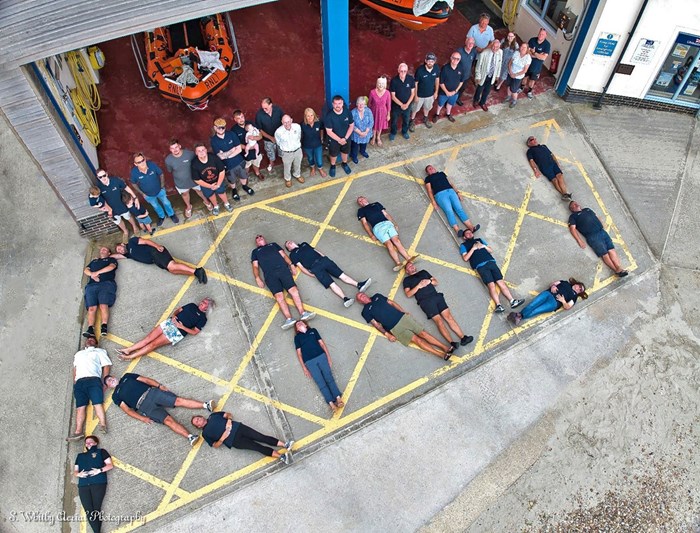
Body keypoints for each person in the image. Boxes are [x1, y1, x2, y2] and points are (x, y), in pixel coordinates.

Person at [105, 373, 214, 446]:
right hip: (143, 406)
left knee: (178, 400)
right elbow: (128, 410)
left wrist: (159, 385)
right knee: (167, 421)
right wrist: (143, 418)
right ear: (109, 387)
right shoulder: (115, 396)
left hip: (152, 393)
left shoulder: (127, 376)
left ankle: (206, 405)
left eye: (110, 378)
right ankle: (190, 437)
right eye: (108, 382)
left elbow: (146, 380)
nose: (111, 380)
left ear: (115, 376)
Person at [356, 292, 453, 360]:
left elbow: (391, 302)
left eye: (362, 294)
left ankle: (445, 348)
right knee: (417, 340)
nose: (362, 296)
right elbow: (376, 324)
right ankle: (440, 354)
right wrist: (387, 334)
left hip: (403, 318)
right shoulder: (365, 312)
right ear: (360, 301)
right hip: (395, 328)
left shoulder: (377, 296)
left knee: (423, 333)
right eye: (360, 297)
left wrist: (403, 311)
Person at [403, 262, 473, 351]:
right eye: (409, 266)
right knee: (439, 321)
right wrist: (419, 286)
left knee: (449, 317)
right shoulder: (407, 280)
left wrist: (429, 281)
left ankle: (463, 338)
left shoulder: (423, 272)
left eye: (412, 264)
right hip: (425, 302)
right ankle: (452, 343)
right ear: (406, 271)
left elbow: (436, 282)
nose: (412, 266)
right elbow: (408, 294)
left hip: (436, 297)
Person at [251, 234, 316, 330]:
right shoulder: (255, 252)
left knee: (294, 290)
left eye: (260, 236)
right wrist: (257, 277)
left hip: (283, 270)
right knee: (279, 296)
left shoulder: (273, 245)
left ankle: (303, 313)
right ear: (256, 243)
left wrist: (291, 265)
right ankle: (289, 319)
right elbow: (255, 266)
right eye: (257, 238)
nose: (259, 238)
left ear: (264, 239)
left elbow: (284, 255)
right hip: (270, 275)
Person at [116, 298, 213, 360]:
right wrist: (174, 316)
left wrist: (181, 327)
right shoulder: (192, 305)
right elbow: (179, 310)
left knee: (153, 344)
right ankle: (128, 350)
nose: (202, 302)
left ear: (206, 308)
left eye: (204, 303)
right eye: (203, 301)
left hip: (177, 332)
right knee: (148, 338)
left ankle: (130, 357)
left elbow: (195, 332)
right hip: (170, 322)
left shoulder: (203, 319)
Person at [285, 240, 371, 307]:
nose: (289, 242)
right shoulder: (293, 255)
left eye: (289, 241)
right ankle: (345, 299)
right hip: (314, 268)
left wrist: (325, 257)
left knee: (341, 275)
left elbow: (316, 251)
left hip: (324, 261)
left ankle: (359, 285)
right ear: (289, 249)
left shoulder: (304, 244)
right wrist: (311, 274)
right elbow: (301, 267)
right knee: (331, 284)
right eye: (288, 244)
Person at [460, 228, 525, 313]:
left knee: (501, 282)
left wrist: (483, 246)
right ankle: (498, 305)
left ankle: (512, 301)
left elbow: (491, 250)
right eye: (467, 234)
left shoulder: (479, 240)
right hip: (481, 266)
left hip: (491, 262)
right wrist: (473, 248)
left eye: (470, 233)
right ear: (464, 237)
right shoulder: (463, 245)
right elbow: (465, 258)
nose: (469, 234)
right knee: (491, 285)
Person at [191, 412, 294, 464]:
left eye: (198, 418)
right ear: (198, 427)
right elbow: (215, 445)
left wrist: (229, 421)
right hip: (234, 441)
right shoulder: (205, 434)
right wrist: (223, 437)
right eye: (196, 422)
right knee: (257, 447)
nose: (199, 420)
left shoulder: (213, 416)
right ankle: (281, 457)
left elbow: (228, 414)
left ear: (202, 417)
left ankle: (285, 444)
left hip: (239, 428)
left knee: (260, 437)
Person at [293, 321, 345, 412]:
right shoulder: (297, 338)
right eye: (297, 324)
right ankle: (331, 403)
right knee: (320, 382)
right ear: (297, 329)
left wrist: (328, 357)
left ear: (305, 324)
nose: (299, 323)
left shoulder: (313, 331)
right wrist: (304, 368)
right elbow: (299, 353)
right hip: (309, 362)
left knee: (329, 378)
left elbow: (322, 344)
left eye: (301, 322)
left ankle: (338, 398)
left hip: (321, 356)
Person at [67, 337, 112, 441]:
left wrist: (104, 380)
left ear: (96, 344)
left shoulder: (100, 351)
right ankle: (78, 432)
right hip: (79, 382)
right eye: (88, 339)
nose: (90, 340)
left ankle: (103, 425)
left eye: (93, 340)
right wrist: (75, 381)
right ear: (85, 342)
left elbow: (106, 365)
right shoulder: (78, 354)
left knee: (97, 403)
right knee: (80, 407)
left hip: (93, 380)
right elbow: (75, 368)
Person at [568, 201, 629, 277]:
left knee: (611, 250)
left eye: (576, 203)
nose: (576, 204)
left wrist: (602, 224)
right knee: (604, 254)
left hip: (602, 232)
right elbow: (572, 229)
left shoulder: (587, 209)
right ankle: (617, 270)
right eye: (573, 204)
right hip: (593, 236)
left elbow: (596, 217)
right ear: (571, 208)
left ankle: (619, 268)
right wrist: (579, 240)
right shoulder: (573, 217)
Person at [357, 196, 417, 271]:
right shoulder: (361, 210)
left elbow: (386, 214)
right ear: (359, 204)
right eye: (360, 201)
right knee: (389, 244)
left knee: (396, 240)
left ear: (366, 198)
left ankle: (408, 258)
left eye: (362, 199)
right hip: (377, 227)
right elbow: (364, 223)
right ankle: (398, 263)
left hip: (387, 223)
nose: (362, 201)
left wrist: (394, 223)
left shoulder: (376, 204)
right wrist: (371, 234)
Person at [112, 237, 207, 283]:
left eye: (119, 248)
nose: (120, 251)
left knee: (172, 266)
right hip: (155, 260)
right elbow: (116, 256)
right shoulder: (129, 255)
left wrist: (157, 246)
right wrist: (104, 257)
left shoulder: (131, 242)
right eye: (119, 251)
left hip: (155, 252)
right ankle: (195, 274)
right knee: (173, 271)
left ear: (122, 244)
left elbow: (145, 241)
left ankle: (197, 271)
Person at [424, 165, 480, 235]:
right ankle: (457, 230)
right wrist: (433, 202)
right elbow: (429, 190)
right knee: (449, 211)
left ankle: (471, 227)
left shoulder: (442, 173)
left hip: (451, 191)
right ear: (427, 172)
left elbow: (451, 183)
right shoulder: (428, 178)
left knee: (459, 209)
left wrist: (457, 192)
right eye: (429, 169)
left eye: (432, 167)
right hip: (440, 195)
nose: (431, 169)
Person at [508, 278, 588, 326]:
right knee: (533, 304)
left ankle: (519, 316)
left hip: (554, 303)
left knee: (537, 310)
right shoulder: (565, 282)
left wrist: (563, 301)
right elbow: (553, 283)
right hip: (548, 293)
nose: (578, 289)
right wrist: (553, 286)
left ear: (579, 293)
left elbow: (567, 307)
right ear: (577, 283)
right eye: (579, 286)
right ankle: (518, 316)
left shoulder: (574, 297)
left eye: (580, 290)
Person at [74, 435, 113, 533]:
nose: (88, 444)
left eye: (90, 441)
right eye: (86, 443)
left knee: (96, 508)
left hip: (98, 483)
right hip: (83, 485)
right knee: (88, 510)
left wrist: (99, 470)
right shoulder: (80, 456)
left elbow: (110, 465)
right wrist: (79, 474)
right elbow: (75, 471)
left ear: (96, 443)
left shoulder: (101, 452)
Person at [210, 117, 255, 201]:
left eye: (222, 127)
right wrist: (232, 150)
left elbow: (239, 149)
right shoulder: (214, 140)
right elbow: (220, 156)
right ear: (215, 127)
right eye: (218, 127)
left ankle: (245, 186)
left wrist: (226, 154)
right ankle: (234, 190)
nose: (220, 129)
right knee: (232, 180)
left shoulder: (231, 134)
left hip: (239, 161)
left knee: (244, 176)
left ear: (225, 127)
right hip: (227, 165)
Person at [166, 139, 212, 218]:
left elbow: (197, 163)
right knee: (185, 194)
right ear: (170, 150)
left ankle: (207, 202)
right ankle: (188, 206)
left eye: (176, 147)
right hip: (181, 183)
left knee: (200, 191)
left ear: (179, 146)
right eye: (172, 148)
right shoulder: (168, 160)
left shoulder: (189, 154)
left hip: (194, 180)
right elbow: (170, 170)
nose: (175, 150)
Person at [129, 152, 179, 226]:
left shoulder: (152, 165)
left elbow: (161, 174)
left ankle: (171, 214)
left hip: (160, 191)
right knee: (156, 206)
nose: (142, 163)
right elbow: (133, 183)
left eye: (143, 160)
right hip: (148, 195)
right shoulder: (134, 172)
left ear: (145, 159)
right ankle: (162, 216)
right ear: (135, 164)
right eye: (139, 162)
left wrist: (162, 187)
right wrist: (142, 193)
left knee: (166, 203)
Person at [82, 246, 118, 339]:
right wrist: (92, 274)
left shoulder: (111, 259)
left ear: (109, 253)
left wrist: (97, 273)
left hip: (106, 284)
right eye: (101, 249)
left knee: (103, 305)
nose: (103, 250)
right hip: (91, 285)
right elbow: (86, 270)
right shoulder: (94, 261)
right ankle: (90, 329)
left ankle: (104, 326)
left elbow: (111, 267)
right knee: (91, 308)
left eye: (105, 249)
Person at [94, 169, 140, 240]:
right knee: (118, 221)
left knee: (128, 217)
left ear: (107, 174)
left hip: (122, 206)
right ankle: (125, 231)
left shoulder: (116, 181)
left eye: (104, 175)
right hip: (111, 210)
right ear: (97, 177)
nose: (103, 178)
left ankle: (134, 226)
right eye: (100, 177)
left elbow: (126, 188)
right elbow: (98, 199)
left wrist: (135, 197)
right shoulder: (98, 188)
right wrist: (100, 207)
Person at [526, 135, 572, 200]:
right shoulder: (530, 151)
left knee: (560, 177)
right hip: (545, 167)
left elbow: (552, 154)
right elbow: (531, 161)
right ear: (529, 143)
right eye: (531, 139)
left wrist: (557, 163)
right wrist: (535, 170)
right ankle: (564, 195)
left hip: (553, 164)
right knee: (555, 180)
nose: (534, 140)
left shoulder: (543, 146)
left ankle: (565, 194)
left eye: (534, 138)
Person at [191, 142, 232, 215]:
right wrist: (210, 186)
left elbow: (222, 171)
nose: (201, 152)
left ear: (206, 150)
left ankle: (226, 203)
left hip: (218, 181)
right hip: (206, 185)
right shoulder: (194, 163)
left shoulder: (214, 157)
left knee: (221, 192)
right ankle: (216, 206)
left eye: (203, 150)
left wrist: (218, 184)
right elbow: (197, 179)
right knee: (211, 195)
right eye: (199, 151)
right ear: (196, 153)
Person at [324, 95, 354, 177]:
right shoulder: (329, 116)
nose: (338, 105)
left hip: (346, 138)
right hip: (334, 140)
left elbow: (351, 125)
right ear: (333, 104)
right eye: (336, 103)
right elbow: (329, 132)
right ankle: (333, 166)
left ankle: (344, 164)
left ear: (342, 103)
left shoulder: (347, 112)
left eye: (339, 103)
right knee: (333, 154)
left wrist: (345, 138)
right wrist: (339, 140)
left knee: (345, 152)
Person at [231, 110, 264, 181]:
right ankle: (246, 176)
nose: (241, 119)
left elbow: (260, 135)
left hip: (256, 151)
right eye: (238, 118)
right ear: (235, 119)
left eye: (242, 117)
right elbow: (236, 143)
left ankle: (257, 173)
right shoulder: (234, 130)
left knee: (256, 164)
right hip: (244, 154)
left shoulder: (250, 123)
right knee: (246, 167)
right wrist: (247, 148)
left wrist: (255, 138)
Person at [410, 52, 440, 130]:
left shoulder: (436, 68)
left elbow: (437, 79)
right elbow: (415, 83)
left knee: (427, 107)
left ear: (434, 62)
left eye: (432, 61)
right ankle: (412, 121)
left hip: (430, 94)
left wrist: (436, 91)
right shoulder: (420, 70)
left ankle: (425, 118)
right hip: (420, 95)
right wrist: (415, 95)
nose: (430, 63)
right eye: (429, 61)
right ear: (425, 61)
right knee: (415, 109)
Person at [255, 97, 284, 172]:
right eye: (263, 108)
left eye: (266, 108)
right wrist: (271, 138)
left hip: (280, 137)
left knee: (283, 151)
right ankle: (271, 163)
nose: (264, 110)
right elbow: (260, 129)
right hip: (268, 140)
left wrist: (279, 134)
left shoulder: (278, 110)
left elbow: (283, 120)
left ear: (271, 105)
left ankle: (285, 162)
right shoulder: (259, 114)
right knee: (270, 153)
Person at [274, 114, 304, 187]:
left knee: (298, 164)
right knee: (287, 167)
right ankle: (288, 179)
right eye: (285, 122)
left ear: (291, 120)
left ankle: (297, 174)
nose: (287, 124)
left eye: (288, 121)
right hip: (287, 153)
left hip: (297, 150)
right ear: (282, 122)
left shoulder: (297, 127)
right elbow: (278, 142)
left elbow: (299, 136)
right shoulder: (278, 132)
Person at [521, 28, 551, 99]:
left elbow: (543, 58)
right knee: (524, 76)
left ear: (545, 35)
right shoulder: (532, 40)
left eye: (543, 34)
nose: (540, 35)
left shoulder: (547, 45)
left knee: (532, 79)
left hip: (537, 66)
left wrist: (534, 52)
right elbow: (527, 52)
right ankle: (521, 87)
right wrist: (538, 55)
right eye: (540, 33)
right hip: (528, 63)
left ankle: (529, 91)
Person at [434, 52, 464, 123]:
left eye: (457, 59)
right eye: (454, 58)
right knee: (440, 104)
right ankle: (437, 114)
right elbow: (441, 82)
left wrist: (455, 91)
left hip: (455, 93)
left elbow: (461, 81)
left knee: (450, 104)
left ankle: (448, 114)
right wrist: (447, 92)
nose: (455, 60)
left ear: (459, 60)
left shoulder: (461, 68)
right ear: (451, 58)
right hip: (444, 92)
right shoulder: (445, 68)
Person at [473, 39, 502, 112]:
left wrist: (497, 75)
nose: (494, 49)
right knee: (480, 88)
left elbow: (499, 64)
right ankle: (476, 100)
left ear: (499, 47)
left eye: (497, 47)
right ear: (491, 45)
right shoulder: (484, 53)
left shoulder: (500, 52)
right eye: (493, 46)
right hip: (483, 75)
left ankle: (482, 102)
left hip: (492, 75)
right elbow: (478, 66)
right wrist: (478, 76)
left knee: (487, 90)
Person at [389, 63, 416, 140]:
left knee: (406, 120)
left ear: (407, 71)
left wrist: (407, 104)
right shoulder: (394, 81)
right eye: (401, 71)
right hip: (396, 106)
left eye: (405, 71)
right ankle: (393, 132)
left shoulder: (410, 79)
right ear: (398, 70)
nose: (403, 73)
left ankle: (404, 132)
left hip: (407, 105)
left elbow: (413, 93)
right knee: (394, 121)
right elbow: (393, 96)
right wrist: (401, 105)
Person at [301, 107, 327, 178]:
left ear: (314, 115)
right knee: (310, 158)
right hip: (307, 146)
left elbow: (322, 129)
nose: (310, 117)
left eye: (311, 115)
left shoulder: (318, 122)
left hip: (318, 144)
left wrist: (321, 137)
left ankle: (320, 169)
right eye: (308, 116)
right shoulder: (303, 125)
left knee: (319, 159)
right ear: (305, 116)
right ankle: (312, 168)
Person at [506, 42, 532, 108]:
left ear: (527, 49)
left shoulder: (528, 58)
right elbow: (510, 62)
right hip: (510, 73)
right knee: (508, 85)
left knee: (514, 89)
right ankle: (508, 97)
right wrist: (510, 71)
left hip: (518, 77)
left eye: (524, 47)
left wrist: (515, 75)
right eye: (522, 47)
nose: (523, 48)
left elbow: (525, 70)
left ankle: (514, 101)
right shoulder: (516, 53)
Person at [454, 37, 477, 107]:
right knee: (454, 88)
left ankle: (457, 99)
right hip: (457, 76)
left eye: (472, 43)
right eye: (469, 43)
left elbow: (473, 62)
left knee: (462, 89)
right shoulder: (459, 51)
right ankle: (449, 101)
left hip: (466, 76)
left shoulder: (474, 52)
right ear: (465, 42)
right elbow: (454, 63)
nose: (471, 45)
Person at [350, 96, 374, 164]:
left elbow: (371, 122)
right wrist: (360, 133)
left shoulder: (368, 111)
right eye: (359, 103)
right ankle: (354, 156)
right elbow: (352, 124)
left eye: (362, 104)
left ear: (365, 105)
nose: (361, 105)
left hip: (366, 133)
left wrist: (366, 132)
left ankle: (362, 152)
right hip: (356, 134)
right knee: (355, 146)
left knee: (364, 144)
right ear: (357, 104)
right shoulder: (353, 112)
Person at [368, 76, 391, 146]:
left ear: (385, 84)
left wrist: (388, 114)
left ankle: (378, 137)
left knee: (380, 125)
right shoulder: (372, 92)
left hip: (383, 112)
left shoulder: (387, 93)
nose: (381, 85)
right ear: (377, 83)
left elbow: (389, 105)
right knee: (374, 125)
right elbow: (369, 103)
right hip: (374, 111)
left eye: (382, 83)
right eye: (379, 83)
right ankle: (373, 137)